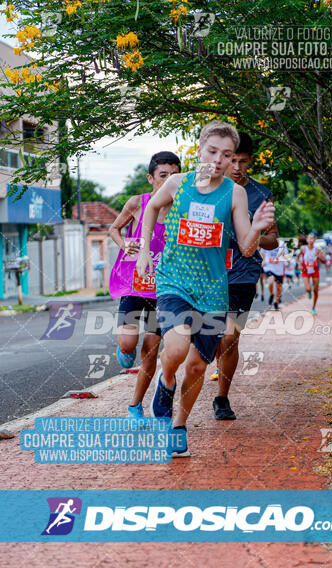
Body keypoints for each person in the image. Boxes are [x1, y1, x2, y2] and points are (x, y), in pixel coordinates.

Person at [136, 121, 275, 456]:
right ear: (198, 149)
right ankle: (165, 382)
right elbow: (153, 207)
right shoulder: (176, 183)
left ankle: (178, 426)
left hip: (213, 290)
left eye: (226, 155)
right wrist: (143, 249)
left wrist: (256, 228)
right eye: (212, 151)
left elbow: (245, 247)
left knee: (198, 366)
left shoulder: (235, 193)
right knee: (177, 348)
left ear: (232, 160)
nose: (218, 159)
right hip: (175, 282)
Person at [210, 132, 279, 420]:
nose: (236, 167)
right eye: (231, 160)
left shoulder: (261, 195)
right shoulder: (207, 188)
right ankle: (217, 363)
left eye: (242, 161)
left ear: (250, 162)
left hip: (243, 276)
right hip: (208, 274)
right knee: (211, 337)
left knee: (230, 337)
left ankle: (222, 398)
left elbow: (273, 239)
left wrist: (251, 235)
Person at [108, 152, 181, 418]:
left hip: (164, 291)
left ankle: (135, 405)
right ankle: (123, 350)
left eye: (175, 175)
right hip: (133, 284)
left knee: (150, 352)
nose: (169, 180)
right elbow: (114, 229)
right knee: (129, 345)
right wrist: (125, 243)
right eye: (163, 175)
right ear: (151, 178)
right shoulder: (137, 203)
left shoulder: (182, 209)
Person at [298, 233, 326, 315]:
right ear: (307, 240)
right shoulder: (303, 249)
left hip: (315, 271)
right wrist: (299, 264)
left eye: (312, 238)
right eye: (309, 238)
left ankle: (313, 308)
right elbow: (297, 257)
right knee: (308, 289)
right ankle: (308, 291)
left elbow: (324, 261)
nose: (310, 240)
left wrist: (319, 257)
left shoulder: (318, 250)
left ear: (315, 240)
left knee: (316, 290)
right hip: (305, 270)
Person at [260, 240, 288, 310]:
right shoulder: (266, 242)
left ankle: (276, 302)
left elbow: (286, 255)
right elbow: (262, 252)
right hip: (269, 267)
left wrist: (285, 261)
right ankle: (272, 294)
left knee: (279, 287)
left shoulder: (282, 244)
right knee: (270, 281)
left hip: (279, 268)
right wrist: (263, 261)